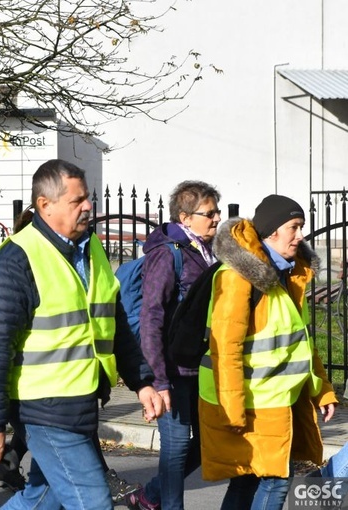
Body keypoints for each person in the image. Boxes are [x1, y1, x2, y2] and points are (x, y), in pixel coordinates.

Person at [0, 159, 164, 510]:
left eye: (87, 198)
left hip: (81, 402)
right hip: (43, 408)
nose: (88, 206)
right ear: (45, 205)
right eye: (77, 201)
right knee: (93, 502)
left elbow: (114, 323)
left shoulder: (91, 249)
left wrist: (143, 382)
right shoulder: (18, 258)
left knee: (42, 498)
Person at [198, 194, 337, 510]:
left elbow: (302, 343)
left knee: (247, 482)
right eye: (294, 227)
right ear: (272, 232)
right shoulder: (237, 277)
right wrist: (231, 409)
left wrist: (323, 391)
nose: (300, 236)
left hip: (276, 400)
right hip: (253, 404)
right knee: (275, 481)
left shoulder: (290, 274)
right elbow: (225, 348)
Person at [127, 181, 222, 510]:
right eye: (209, 213)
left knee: (208, 444)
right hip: (171, 368)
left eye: (217, 212)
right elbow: (151, 316)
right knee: (177, 446)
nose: (217, 218)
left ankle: (150, 496)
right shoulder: (168, 254)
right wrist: (158, 380)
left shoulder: (207, 253)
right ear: (185, 217)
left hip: (201, 368)